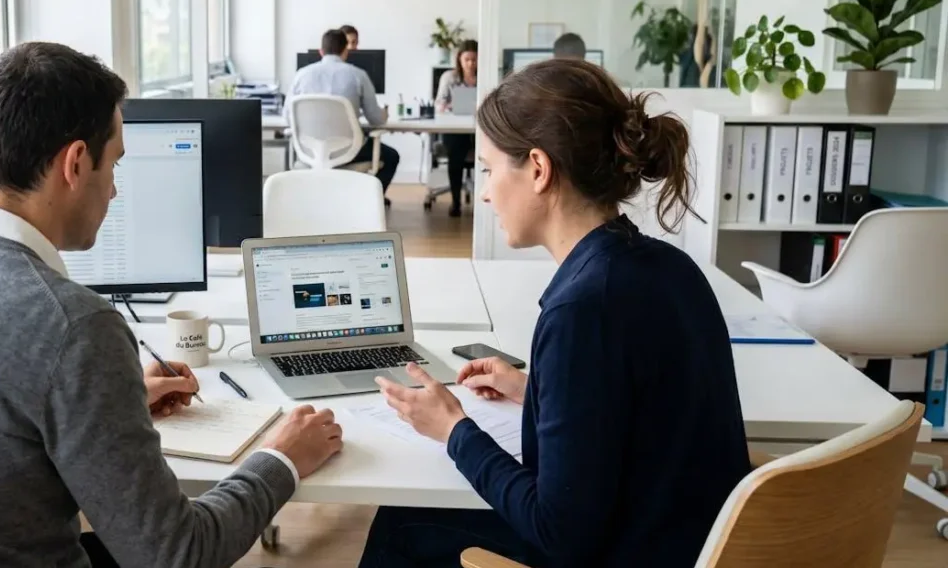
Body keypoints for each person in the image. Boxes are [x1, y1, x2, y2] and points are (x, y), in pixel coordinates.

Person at [0, 42, 344, 568]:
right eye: (115, 163)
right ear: (76, 163)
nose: (116, 191)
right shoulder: (74, 326)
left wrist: (104, 407)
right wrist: (283, 457)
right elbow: (176, 556)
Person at [358, 58, 750, 568]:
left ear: (539, 170)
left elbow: (561, 532)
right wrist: (537, 392)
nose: (485, 191)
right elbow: (641, 414)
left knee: (402, 521)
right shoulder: (670, 267)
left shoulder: (582, 310)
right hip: (689, 541)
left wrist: (454, 429)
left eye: (489, 169)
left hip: (624, 551)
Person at [291, 28, 400, 201]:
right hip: (348, 151)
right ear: (345, 51)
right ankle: (369, 204)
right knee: (392, 156)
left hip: (311, 151)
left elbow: (287, 116)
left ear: (321, 51)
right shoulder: (358, 75)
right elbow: (376, 119)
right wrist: (384, 114)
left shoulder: (301, 75)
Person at [433, 39, 478, 216]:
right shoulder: (449, 77)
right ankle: (456, 201)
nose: (470, 64)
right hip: (456, 128)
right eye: (467, 59)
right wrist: (450, 106)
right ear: (459, 59)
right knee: (456, 152)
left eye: (474, 59)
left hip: (478, 128)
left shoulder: (486, 76)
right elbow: (439, 105)